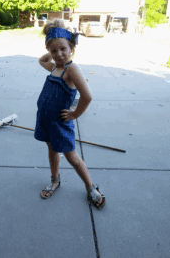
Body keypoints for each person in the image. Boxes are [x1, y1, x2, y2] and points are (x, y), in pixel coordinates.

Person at [34, 18, 105, 210]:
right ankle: (55, 180)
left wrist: (75, 114)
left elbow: (87, 96)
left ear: (71, 47)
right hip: (46, 121)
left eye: (63, 49)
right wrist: (53, 43)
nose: (58, 54)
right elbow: (42, 60)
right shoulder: (55, 67)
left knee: (72, 157)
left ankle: (90, 187)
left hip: (60, 123)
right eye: (54, 51)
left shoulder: (70, 69)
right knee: (51, 151)